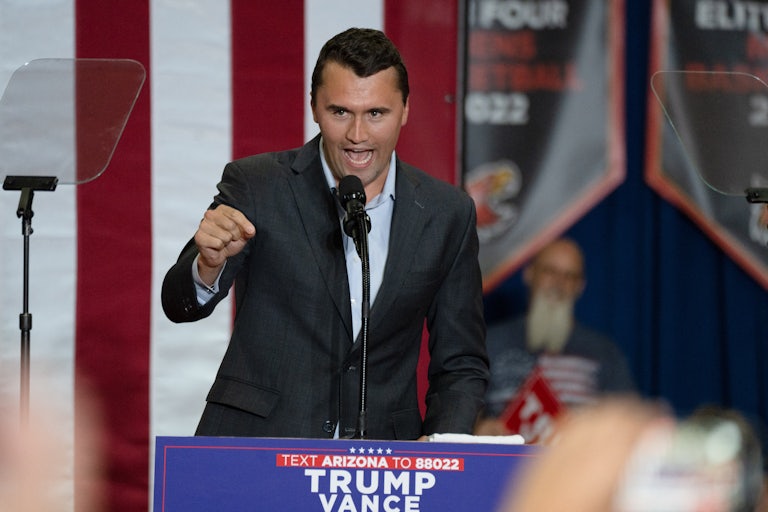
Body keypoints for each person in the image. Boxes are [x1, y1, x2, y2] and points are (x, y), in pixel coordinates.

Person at [161, 28, 489, 440]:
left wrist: (441, 444)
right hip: (259, 448)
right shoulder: (258, 185)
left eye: (376, 113)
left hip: (382, 459)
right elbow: (179, 305)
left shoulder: (447, 213)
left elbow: (462, 362)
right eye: (340, 112)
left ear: (405, 109)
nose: (358, 136)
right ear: (314, 107)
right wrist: (207, 266)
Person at [475, 237, 635, 436]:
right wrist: (478, 429)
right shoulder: (490, 342)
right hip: (503, 453)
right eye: (550, 271)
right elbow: (460, 408)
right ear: (529, 274)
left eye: (569, 276)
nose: (559, 283)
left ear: (581, 286)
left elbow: (627, 420)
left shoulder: (604, 352)